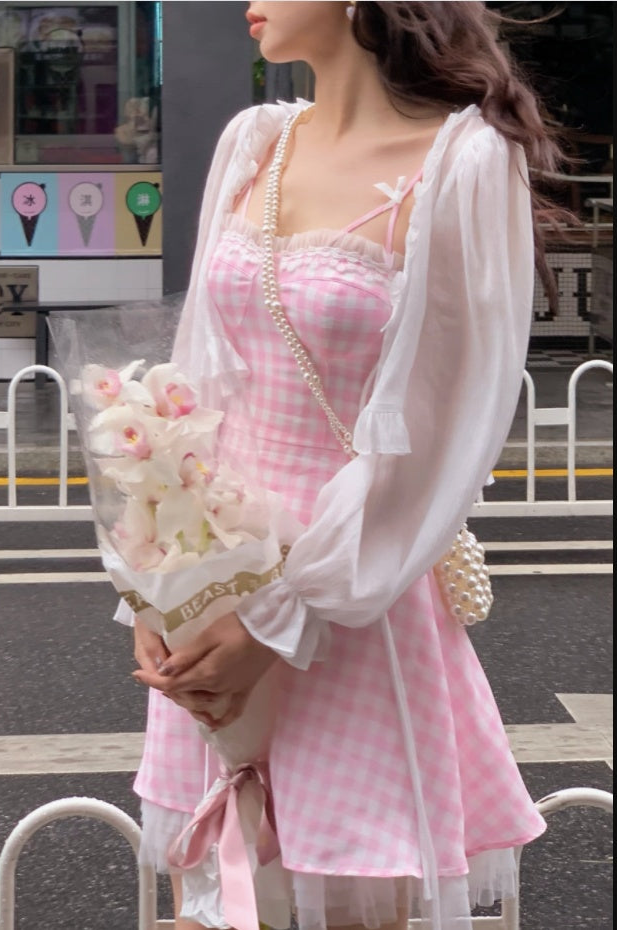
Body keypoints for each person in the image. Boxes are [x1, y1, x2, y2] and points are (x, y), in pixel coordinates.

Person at [120, 3, 567, 928]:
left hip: (347, 603)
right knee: (212, 901)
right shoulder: (253, 141)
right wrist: (155, 590)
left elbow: (444, 436)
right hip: (217, 587)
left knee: (347, 905)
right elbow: (196, 388)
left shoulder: (463, 163)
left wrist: (284, 619)